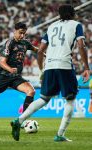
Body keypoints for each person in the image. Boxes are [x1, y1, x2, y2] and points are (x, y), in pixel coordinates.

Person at [11, 4, 90, 141]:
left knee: (44, 99)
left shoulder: (51, 26)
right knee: (70, 100)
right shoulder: (76, 25)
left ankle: (19, 120)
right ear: (72, 14)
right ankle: (60, 135)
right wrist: (87, 67)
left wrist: (42, 69)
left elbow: (41, 50)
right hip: (64, 65)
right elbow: (81, 45)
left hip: (50, 66)